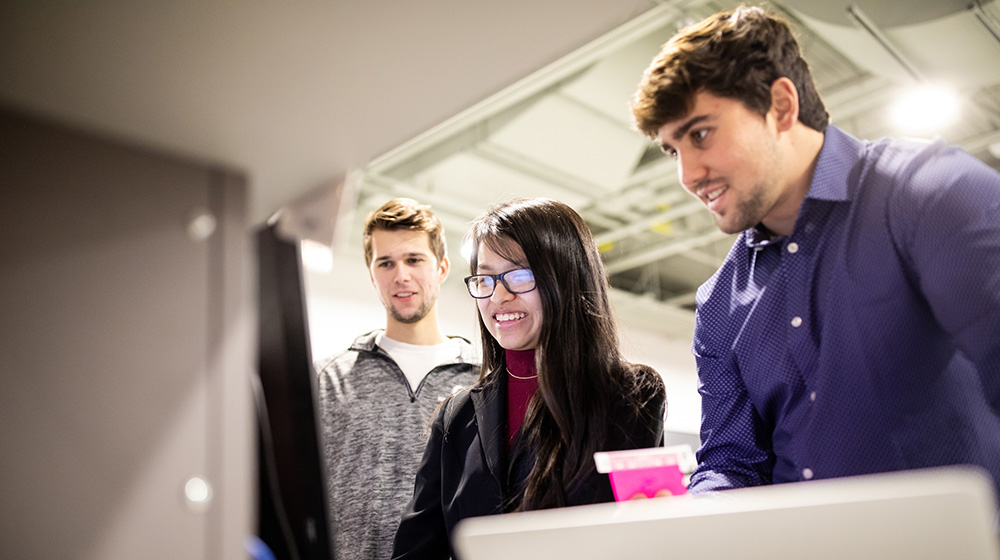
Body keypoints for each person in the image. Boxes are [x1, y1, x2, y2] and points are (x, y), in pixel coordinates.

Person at [630, 5, 1000, 495]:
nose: (688, 176)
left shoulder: (927, 193)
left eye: (701, 134)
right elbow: (733, 462)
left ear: (781, 106)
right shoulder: (719, 304)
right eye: (674, 149)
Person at [391, 197, 667, 558]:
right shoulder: (456, 417)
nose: (498, 296)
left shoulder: (631, 395)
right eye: (485, 278)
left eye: (520, 275)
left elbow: (644, 539)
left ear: (566, 277)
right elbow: (415, 549)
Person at [315, 198, 479, 560]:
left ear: (442, 267)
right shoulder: (327, 379)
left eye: (414, 259)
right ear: (372, 274)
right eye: (386, 263)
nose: (401, 275)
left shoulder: (482, 381)